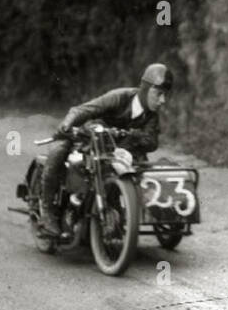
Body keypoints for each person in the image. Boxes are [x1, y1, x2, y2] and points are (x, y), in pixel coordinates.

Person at [38, 63, 173, 236]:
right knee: (59, 150)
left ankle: (118, 212)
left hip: (119, 151)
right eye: (159, 94)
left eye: (165, 95)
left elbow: (151, 142)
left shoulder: (151, 115)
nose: (163, 100)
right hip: (90, 139)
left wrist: (130, 134)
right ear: (146, 89)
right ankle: (48, 213)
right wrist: (67, 124)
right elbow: (84, 110)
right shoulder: (119, 97)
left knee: (141, 169)